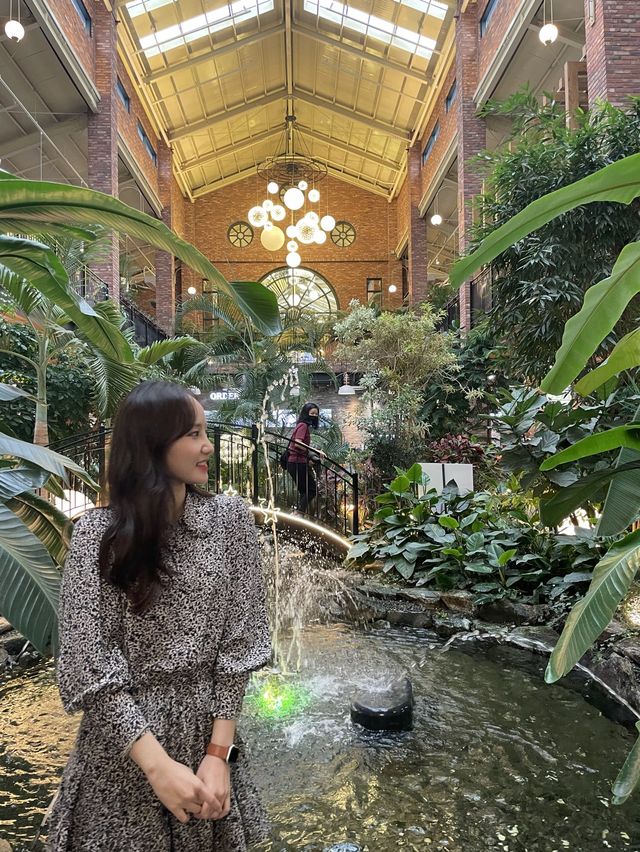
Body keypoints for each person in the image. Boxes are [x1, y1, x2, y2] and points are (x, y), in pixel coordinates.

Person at [46, 381, 272, 852]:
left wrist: (220, 754)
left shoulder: (230, 521)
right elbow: (88, 663)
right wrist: (157, 766)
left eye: (205, 432)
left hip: (207, 742)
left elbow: (241, 642)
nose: (208, 446)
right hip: (125, 751)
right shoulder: (98, 536)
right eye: (193, 434)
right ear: (151, 443)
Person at [286, 402, 326, 514]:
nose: (314, 416)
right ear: (305, 413)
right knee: (311, 490)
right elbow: (297, 443)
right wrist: (316, 451)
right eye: (312, 413)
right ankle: (298, 514)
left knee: (305, 491)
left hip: (296, 462)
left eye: (316, 414)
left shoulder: (301, 425)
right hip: (297, 463)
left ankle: (298, 514)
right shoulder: (303, 426)